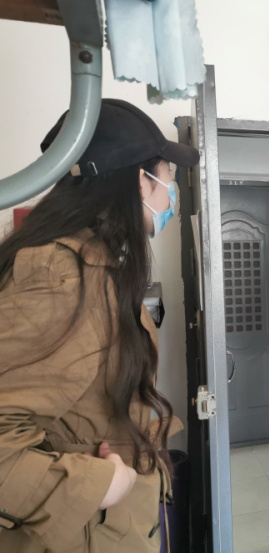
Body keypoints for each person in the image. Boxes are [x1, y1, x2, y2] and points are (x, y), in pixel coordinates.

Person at [0, 99, 199, 552]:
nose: (170, 189)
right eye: (167, 174)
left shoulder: (100, 266)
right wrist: (98, 484)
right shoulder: (61, 278)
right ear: (140, 180)